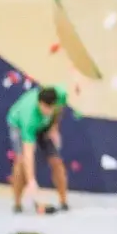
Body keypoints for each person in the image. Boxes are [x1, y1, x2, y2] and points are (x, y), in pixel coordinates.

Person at [7, 84, 69, 213]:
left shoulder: (60, 94)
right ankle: (17, 204)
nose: (48, 111)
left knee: (56, 161)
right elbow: (28, 153)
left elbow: (60, 109)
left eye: (50, 108)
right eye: (45, 108)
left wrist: (54, 127)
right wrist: (31, 181)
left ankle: (64, 202)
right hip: (18, 125)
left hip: (44, 127)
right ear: (39, 103)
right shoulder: (28, 118)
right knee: (20, 161)